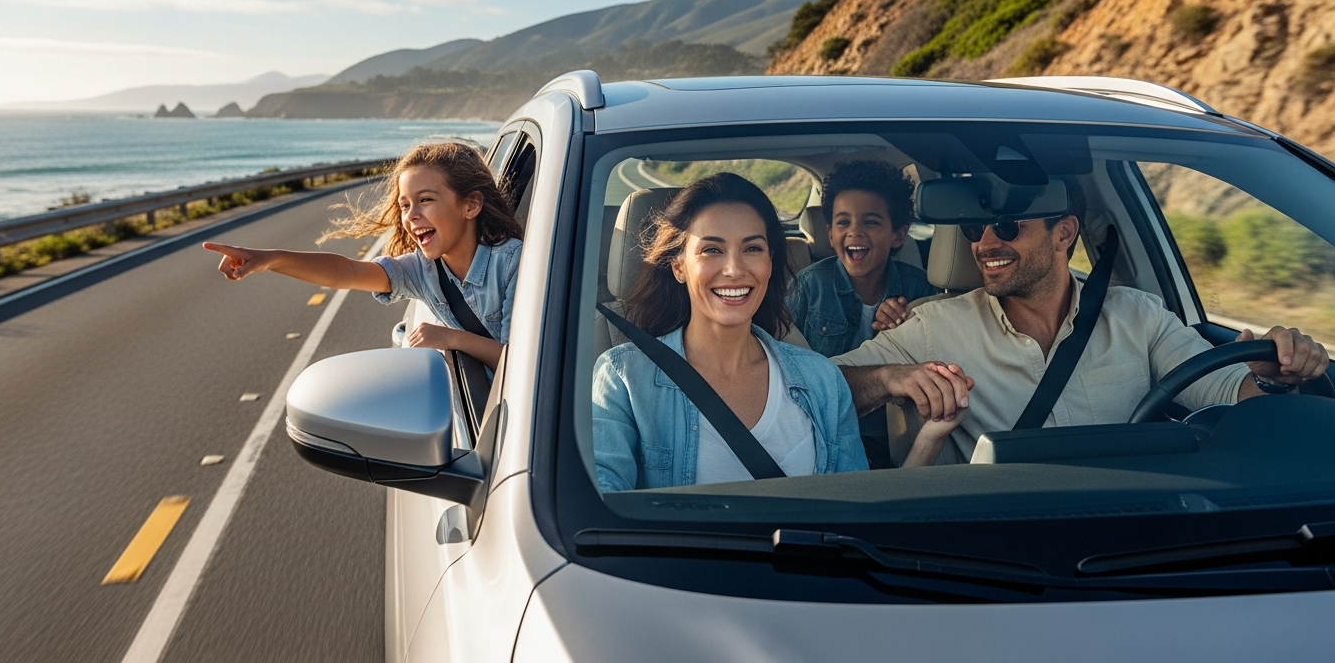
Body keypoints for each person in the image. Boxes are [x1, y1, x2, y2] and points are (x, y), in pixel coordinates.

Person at [832, 178, 1331, 464]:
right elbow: (816, 390)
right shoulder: (932, 326)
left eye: (1007, 227)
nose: (984, 244)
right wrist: (891, 377)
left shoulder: (1139, 316)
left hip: (1137, 532)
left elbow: (1229, 392)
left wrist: (1275, 376)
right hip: (996, 550)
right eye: (973, 229)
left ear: (1063, 232)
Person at [592, 173, 958, 494]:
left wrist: (930, 436)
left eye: (752, 248)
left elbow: (855, 512)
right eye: (711, 250)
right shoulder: (623, 379)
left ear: (770, 264)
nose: (734, 269)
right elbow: (599, 500)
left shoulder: (822, 381)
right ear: (679, 267)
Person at [203, 142, 522, 370]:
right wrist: (270, 259)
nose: (411, 215)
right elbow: (349, 272)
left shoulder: (514, 265)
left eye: (425, 200)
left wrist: (453, 339)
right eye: (405, 204)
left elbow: (523, 366)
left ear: (470, 205)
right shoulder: (423, 270)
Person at [787, 159, 940, 467]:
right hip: (822, 431)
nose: (855, 232)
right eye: (843, 222)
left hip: (891, 437)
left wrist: (903, 330)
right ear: (830, 234)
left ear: (898, 235)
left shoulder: (921, 291)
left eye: (870, 222)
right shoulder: (809, 286)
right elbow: (785, 363)